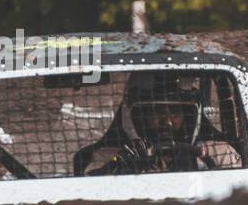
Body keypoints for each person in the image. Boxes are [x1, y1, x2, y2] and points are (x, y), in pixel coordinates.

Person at [75, 72, 219, 175]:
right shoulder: (106, 157)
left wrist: (205, 157)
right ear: (138, 115)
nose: (167, 122)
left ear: (189, 115)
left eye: (175, 112)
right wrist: (119, 165)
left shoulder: (218, 152)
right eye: (157, 111)